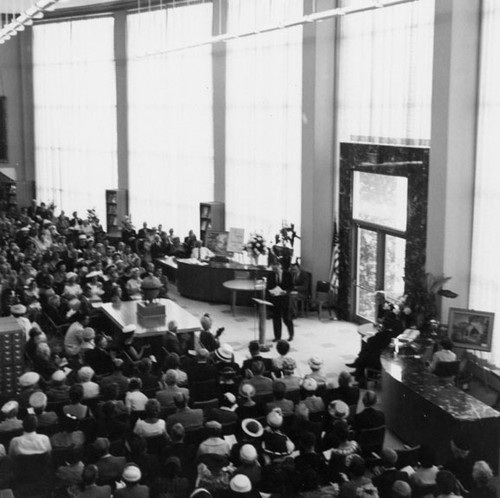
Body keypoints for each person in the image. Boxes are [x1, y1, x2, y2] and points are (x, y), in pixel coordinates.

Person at [267, 259, 294, 342]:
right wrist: (270, 292)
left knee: (287, 318)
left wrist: (286, 291)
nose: (274, 271)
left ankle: (291, 334)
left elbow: (291, 286)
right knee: (276, 319)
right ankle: (277, 337)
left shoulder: (287, 274)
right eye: (273, 269)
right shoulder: (271, 275)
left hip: (285, 299)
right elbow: (268, 286)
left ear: (280, 267)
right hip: (275, 299)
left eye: (276, 269)